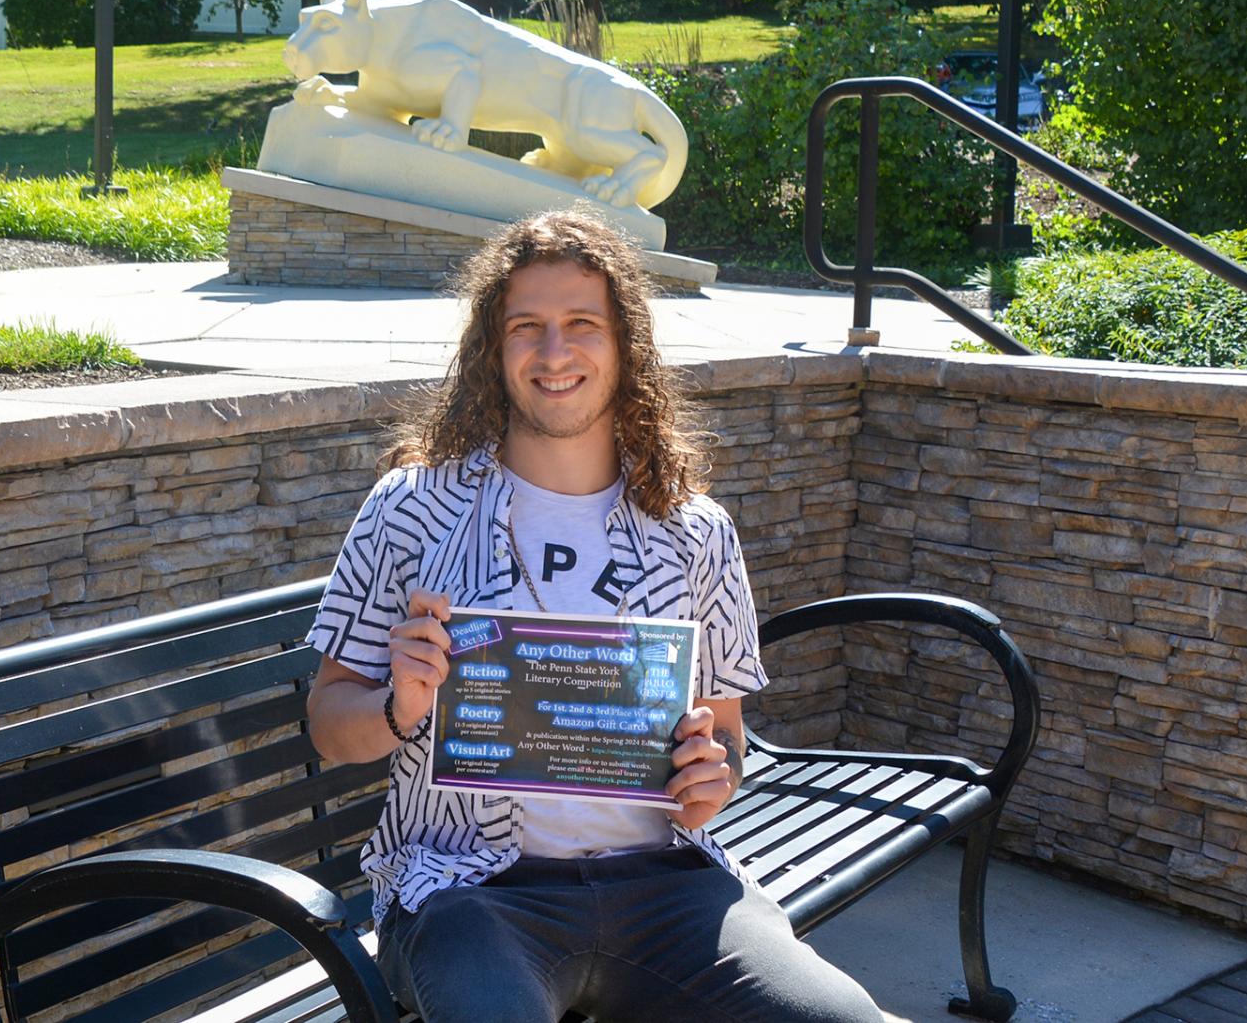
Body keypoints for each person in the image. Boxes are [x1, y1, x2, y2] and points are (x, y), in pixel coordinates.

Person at [305, 210, 883, 1023]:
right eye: (526, 327)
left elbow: (726, 737)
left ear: (625, 345)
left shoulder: (694, 531)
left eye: (582, 324)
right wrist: (401, 703)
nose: (553, 352)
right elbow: (331, 726)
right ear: (492, 349)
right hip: (470, 894)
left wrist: (709, 778)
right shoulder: (414, 510)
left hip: (668, 890)